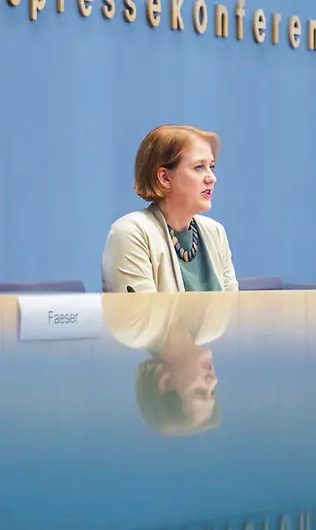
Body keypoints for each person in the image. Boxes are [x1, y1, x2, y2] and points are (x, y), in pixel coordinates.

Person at [102, 124, 238, 293]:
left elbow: (233, 311)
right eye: (199, 167)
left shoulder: (215, 232)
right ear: (165, 177)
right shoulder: (131, 233)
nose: (212, 178)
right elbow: (143, 316)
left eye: (212, 166)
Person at [103, 291, 235, 436]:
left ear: (165, 381)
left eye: (199, 391)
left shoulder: (131, 326)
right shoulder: (215, 323)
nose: (213, 380)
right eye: (213, 392)